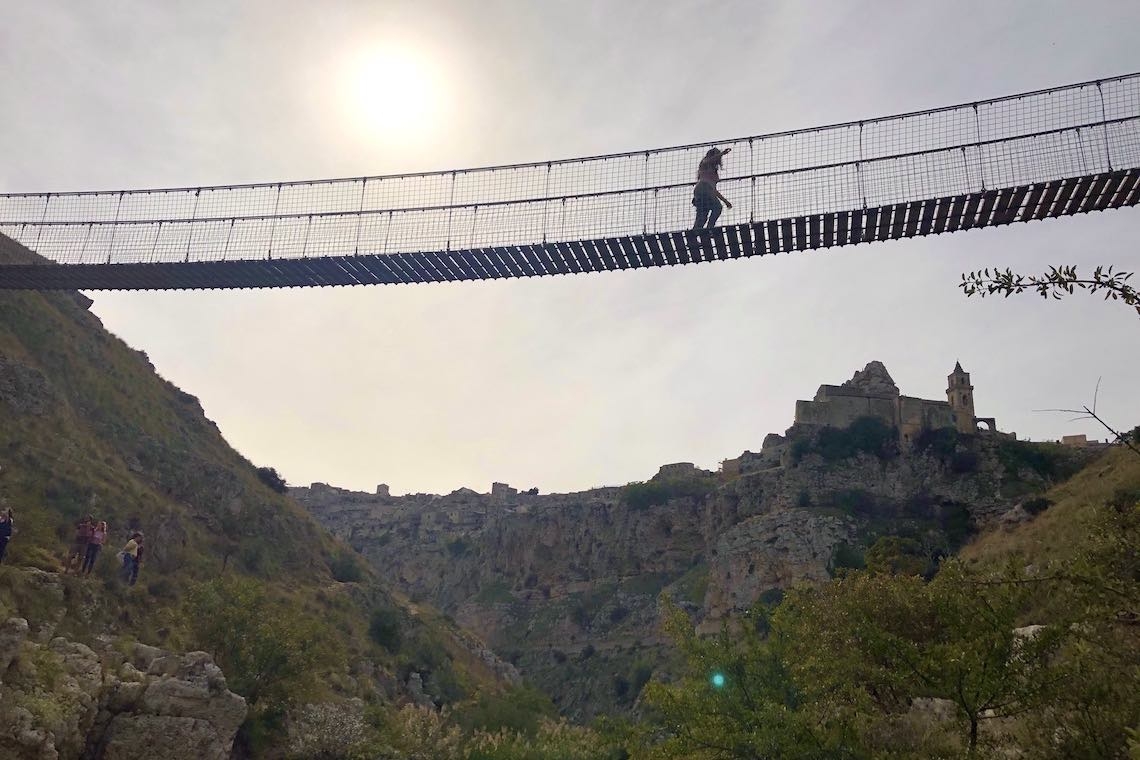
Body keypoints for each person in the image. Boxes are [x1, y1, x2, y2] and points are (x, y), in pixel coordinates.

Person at [691, 147, 733, 231]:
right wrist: (722, 153)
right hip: (703, 187)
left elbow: (714, 190)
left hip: (705, 189)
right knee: (717, 207)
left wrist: (725, 201)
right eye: (716, 154)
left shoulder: (713, 170)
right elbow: (709, 160)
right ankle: (710, 229)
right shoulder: (705, 163)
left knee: (702, 217)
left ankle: (692, 238)